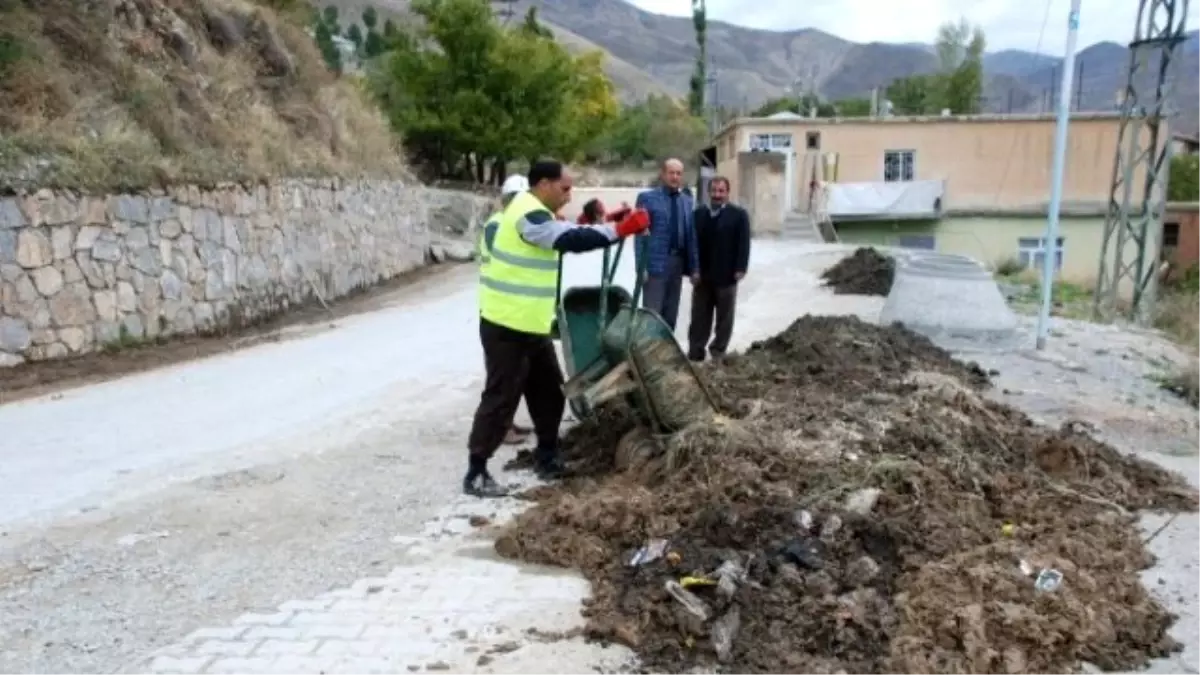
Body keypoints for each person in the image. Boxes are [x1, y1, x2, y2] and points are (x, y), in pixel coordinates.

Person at [466, 159, 651, 497]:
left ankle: (547, 457)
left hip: (530, 325)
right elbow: (569, 239)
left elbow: (569, 228)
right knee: (501, 397)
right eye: (565, 188)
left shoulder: (537, 212)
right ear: (544, 185)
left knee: (550, 392)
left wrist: (608, 222)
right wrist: (620, 231)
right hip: (506, 324)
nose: (569, 195)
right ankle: (476, 471)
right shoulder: (527, 212)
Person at [478, 175, 534, 446]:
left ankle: (507, 423)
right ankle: (499, 429)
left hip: (511, 309)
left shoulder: (509, 223)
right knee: (501, 378)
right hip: (498, 310)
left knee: (515, 373)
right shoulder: (499, 225)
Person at [687, 176, 750, 362]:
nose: (717, 195)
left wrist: (741, 268)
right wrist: (692, 269)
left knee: (725, 318)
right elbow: (692, 244)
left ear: (727, 193)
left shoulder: (738, 215)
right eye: (714, 191)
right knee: (699, 317)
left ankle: (718, 351)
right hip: (702, 276)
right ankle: (695, 351)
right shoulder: (698, 214)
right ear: (709, 192)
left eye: (721, 191)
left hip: (727, 275)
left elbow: (743, 244)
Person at [635, 158, 699, 332]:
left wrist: (694, 268)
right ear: (663, 174)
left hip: (677, 263)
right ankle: (646, 354)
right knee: (651, 313)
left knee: (671, 315)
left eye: (679, 173)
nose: (675, 177)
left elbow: (691, 236)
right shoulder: (647, 199)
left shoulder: (686, 200)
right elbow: (640, 235)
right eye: (671, 172)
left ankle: (665, 354)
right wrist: (641, 268)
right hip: (655, 264)